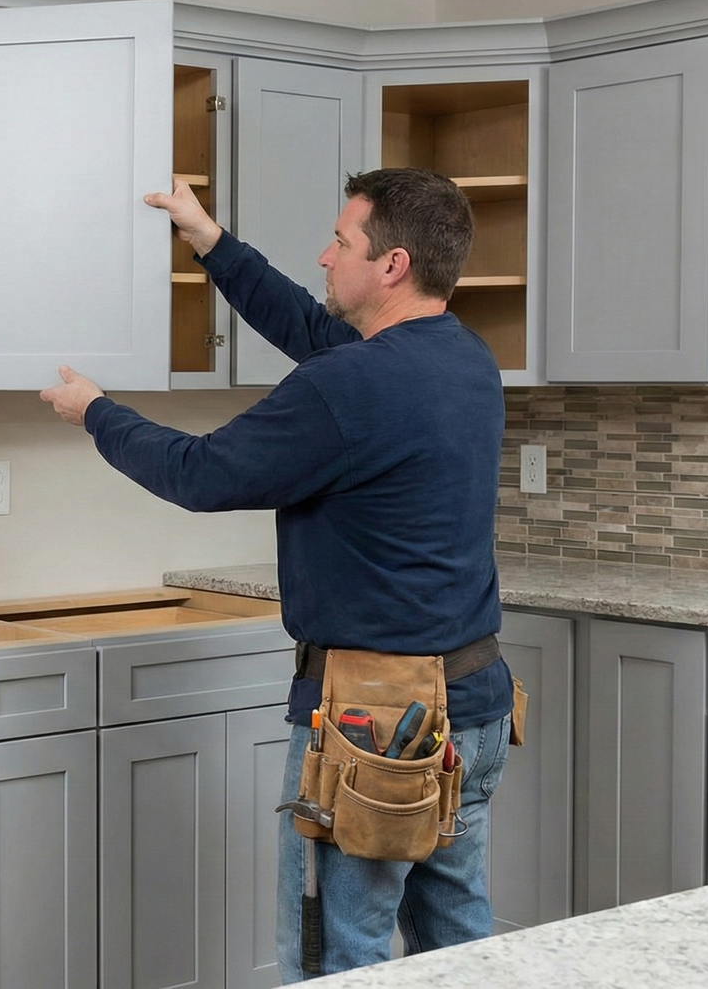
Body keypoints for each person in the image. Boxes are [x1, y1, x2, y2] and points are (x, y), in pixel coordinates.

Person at [39, 168, 514, 981]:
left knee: (335, 959)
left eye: (341, 241)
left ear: (392, 264)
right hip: (472, 707)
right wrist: (208, 239)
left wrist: (97, 412)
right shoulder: (465, 358)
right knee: (458, 951)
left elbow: (199, 473)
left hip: (371, 727)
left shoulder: (350, 383)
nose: (324, 255)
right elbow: (309, 325)